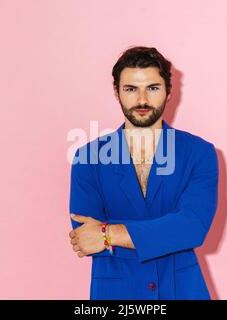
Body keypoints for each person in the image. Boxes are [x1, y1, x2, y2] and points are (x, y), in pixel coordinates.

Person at [68, 46, 219, 300]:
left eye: (152, 88)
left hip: (182, 291)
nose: (142, 100)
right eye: (130, 89)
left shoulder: (199, 152)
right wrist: (168, 232)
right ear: (116, 92)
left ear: (169, 92)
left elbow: (192, 228)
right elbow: (86, 238)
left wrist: (109, 234)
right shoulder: (87, 158)